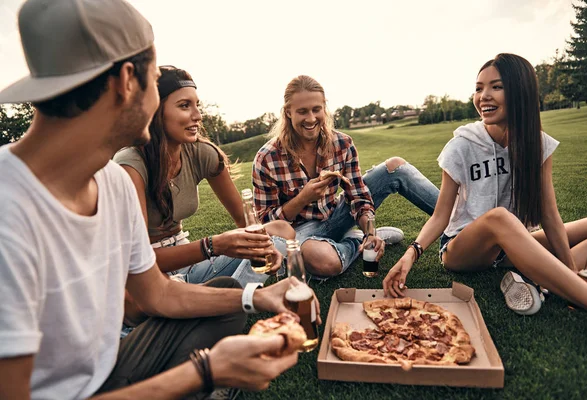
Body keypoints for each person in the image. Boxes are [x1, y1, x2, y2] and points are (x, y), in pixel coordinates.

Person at [0, 1, 317, 399]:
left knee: (227, 298)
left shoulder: (111, 181)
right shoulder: (8, 207)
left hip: (112, 366)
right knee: (216, 363)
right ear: (127, 81)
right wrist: (204, 372)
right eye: (154, 80)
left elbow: (158, 293)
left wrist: (258, 295)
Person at [383, 53, 587, 316]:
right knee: (499, 217)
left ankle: (546, 282)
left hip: (509, 246)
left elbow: (549, 215)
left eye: (496, 87)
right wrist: (411, 253)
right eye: (478, 88)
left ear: (520, 92)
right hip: (462, 249)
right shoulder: (461, 146)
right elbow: (440, 217)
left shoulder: (538, 144)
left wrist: (571, 271)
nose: (483, 96)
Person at [114, 65, 294, 288]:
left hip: (189, 264)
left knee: (281, 232)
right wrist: (212, 245)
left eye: (196, 105)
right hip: (150, 276)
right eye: (184, 106)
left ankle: (222, 298)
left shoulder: (201, 153)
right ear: (155, 111)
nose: (198, 116)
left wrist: (262, 246)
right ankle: (222, 299)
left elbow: (244, 219)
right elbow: (137, 262)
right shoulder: (130, 165)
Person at [250, 75, 440, 279]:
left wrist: (369, 229)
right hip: (300, 234)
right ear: (288, 112)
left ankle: (459, 222)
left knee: (395, 167)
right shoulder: (267, 158)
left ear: (324, 107)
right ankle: (355, 241)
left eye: (316, 109)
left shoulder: (342, 144)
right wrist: (302, 199)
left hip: (336, 216)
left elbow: (358, 197)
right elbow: (266, 225)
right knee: (324, 261)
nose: (311, 118)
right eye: (302, 111)